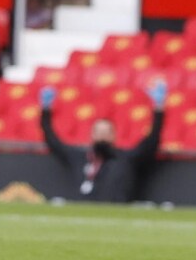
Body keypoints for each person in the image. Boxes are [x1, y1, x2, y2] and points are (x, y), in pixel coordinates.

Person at [39, 80, 167, 202]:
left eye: (106, 132)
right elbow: (53, 141)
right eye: (99, 131)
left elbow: (151, 141)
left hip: (117, 211)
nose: (102, 135)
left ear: (114, 135)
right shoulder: (80, 157)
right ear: (92, 134)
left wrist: (158, 109)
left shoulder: (126, 158)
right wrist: (45, 110)